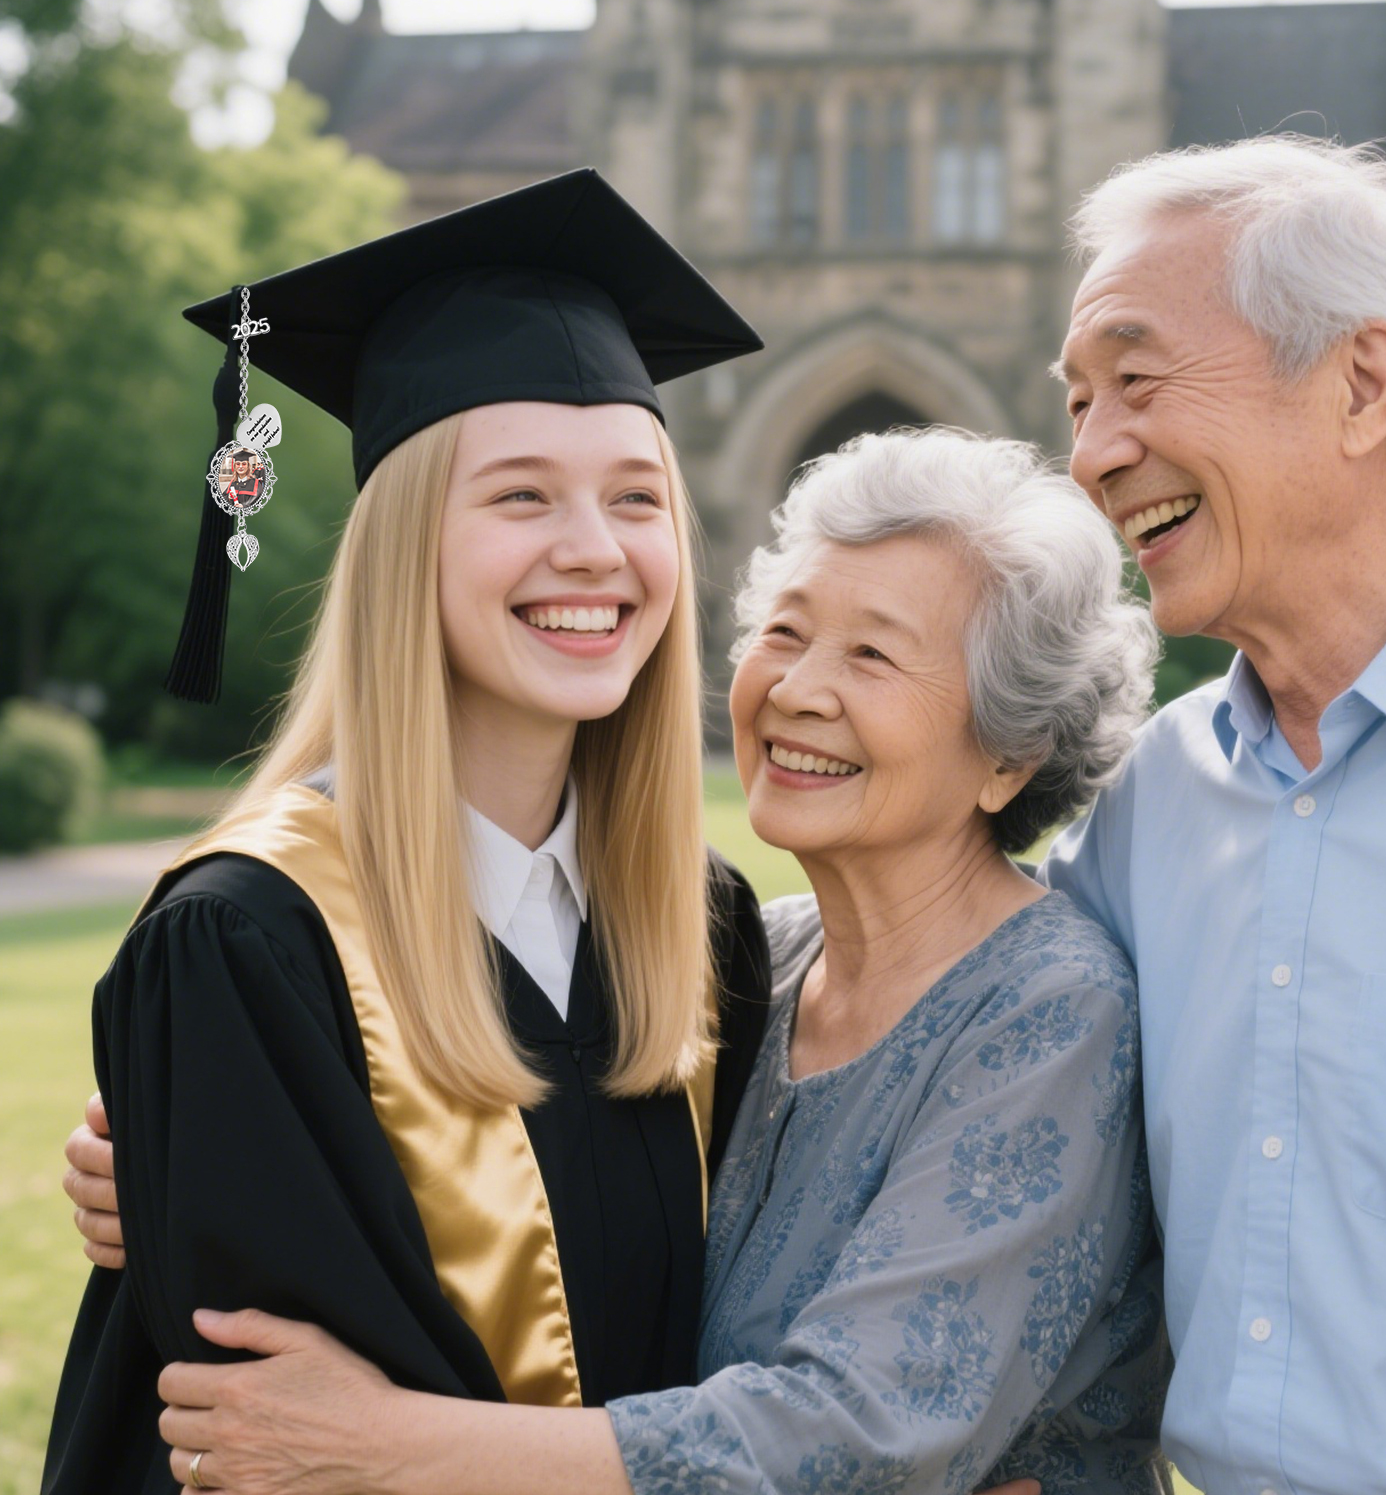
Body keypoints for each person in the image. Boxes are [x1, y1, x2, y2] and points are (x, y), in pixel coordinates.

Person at [70, 430, 1172, 1493]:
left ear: (1009, 755)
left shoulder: (1048, 1005)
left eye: (872, 654)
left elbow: (864, 1436)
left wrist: (390, 1447)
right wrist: (189, 1153)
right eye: (784, 632)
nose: (797, 689)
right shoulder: (745, 960)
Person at [43, 168, 774, 1494]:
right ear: (401, 543)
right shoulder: (246, 948)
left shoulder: (702, 925)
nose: (595, 550)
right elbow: (268, 1456)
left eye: (634, 496)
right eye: (519, 497)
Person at [1043, 136, 1386, 1495]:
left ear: (1361, 384)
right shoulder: (1145, 802)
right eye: (1075, 404)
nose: (1093, 455)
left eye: (1135, 380)